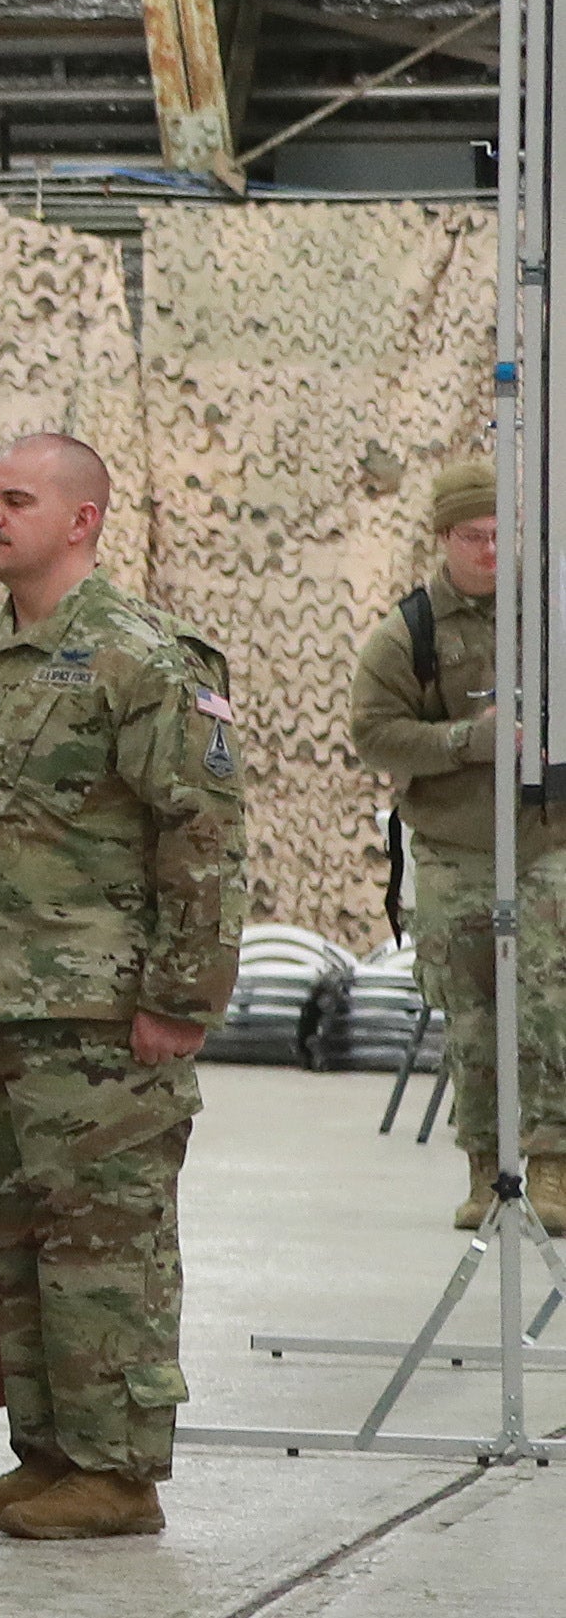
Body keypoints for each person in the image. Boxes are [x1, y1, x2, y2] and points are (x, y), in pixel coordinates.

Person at [0, 433, 245, 1543]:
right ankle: (48, 1450)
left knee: (103, 1242)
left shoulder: (141, 656)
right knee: (13, 1236)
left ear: (81, 519)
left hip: (102, 1009)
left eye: (15, 498)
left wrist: (180, 992)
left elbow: (199, 835)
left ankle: (116, 1468)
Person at [348, 456, 564, 1232]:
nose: (488, 549)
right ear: (443, 538)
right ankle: (485, 1168)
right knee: (471, 1012)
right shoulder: (410, 633)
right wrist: (465, 742)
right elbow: (372, 732)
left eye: (502, 533)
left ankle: (552, 1170)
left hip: (545, 841)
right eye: (473, 534)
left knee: (549, 997)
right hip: (455, 847)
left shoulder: (546, 616)